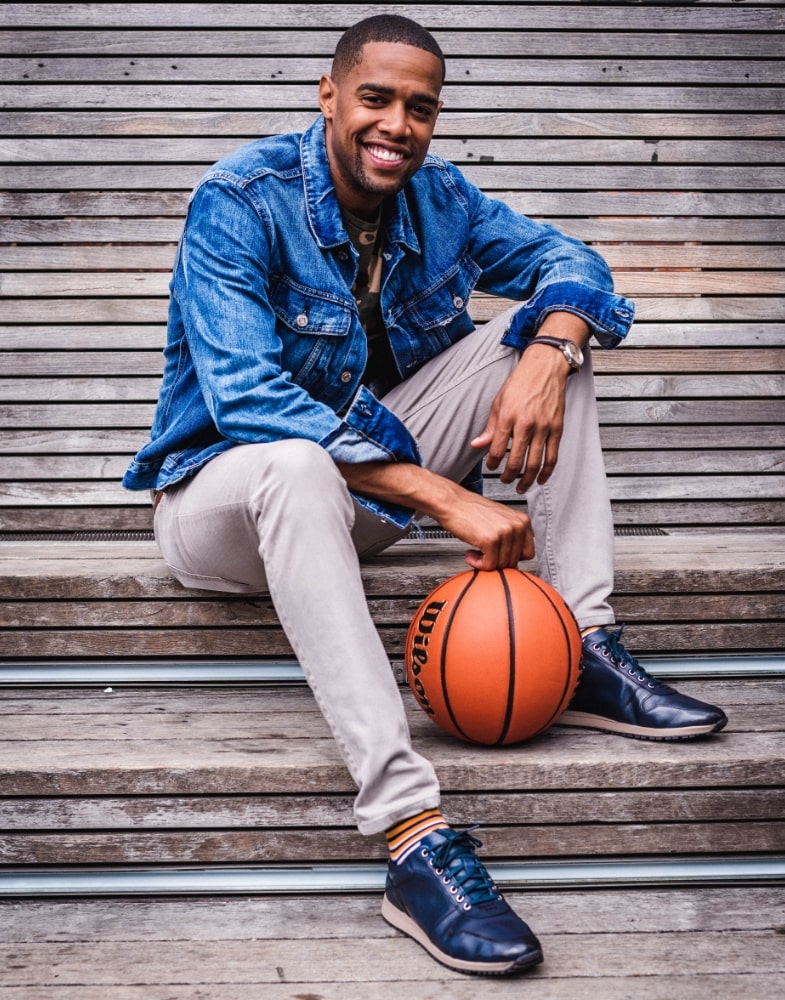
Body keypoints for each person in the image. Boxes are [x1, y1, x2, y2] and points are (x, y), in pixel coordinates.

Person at [123, 14, 727, 977]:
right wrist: (449, 502)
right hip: (223, 505)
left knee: (543, 342)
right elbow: (248, 400)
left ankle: (583, 644)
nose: (397, 124)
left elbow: (573, 265)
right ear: (329, 95)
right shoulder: (240, 198)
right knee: (291, 458)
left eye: (419, 107)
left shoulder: (440, 199)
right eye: (376, 98)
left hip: (354, 502)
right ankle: (411, 833)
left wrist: (548, 349)